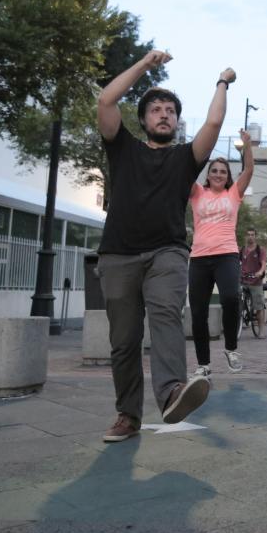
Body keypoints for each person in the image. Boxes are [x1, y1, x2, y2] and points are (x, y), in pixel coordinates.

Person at [96, 50, 235, 442]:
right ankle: (127, 415)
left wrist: (222, 81)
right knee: (123, 343)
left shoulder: (185, 158)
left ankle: (173, 391)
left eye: (170, 110)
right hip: (118, 254)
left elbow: (214, 121)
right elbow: (106, 101)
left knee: (165, 317)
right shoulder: (122, 147)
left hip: (167, 253)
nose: (163, 114)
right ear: (143, 120)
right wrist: (144, 66)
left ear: (176, 120)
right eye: (155, 108)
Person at [189, 129, 255, 379]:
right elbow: (186, 170)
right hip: (198, 258)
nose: (218, 174)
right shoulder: (197, 193)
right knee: (198, 312)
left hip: (226, 254)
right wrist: (200, 147)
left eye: (223, 171)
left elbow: (248, 171)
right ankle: (204, 364)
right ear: (208, 174)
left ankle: (230, 349)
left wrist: (248, 146)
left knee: (230, 298)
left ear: (228, 176)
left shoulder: (233, 194)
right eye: (214, 170)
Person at [240, 227, 267, 338]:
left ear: (255, 236)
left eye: (252, 234)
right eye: (248, 234)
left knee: (259, 306)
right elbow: (237, 262)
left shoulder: (260, 250)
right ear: (245, 236)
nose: (250, 236)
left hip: (256, 281)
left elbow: (263, 263)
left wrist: (260, 272)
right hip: (243, 280)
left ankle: (261, 330)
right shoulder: (242, 250)